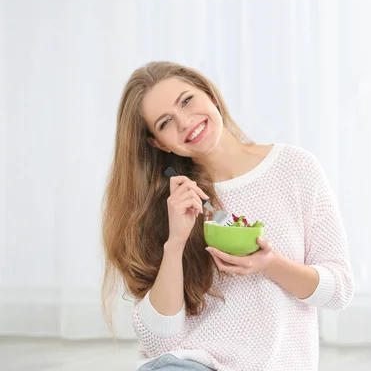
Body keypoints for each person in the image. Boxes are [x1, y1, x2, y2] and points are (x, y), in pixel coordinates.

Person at [101, 61, 354, 371]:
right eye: (166, 122)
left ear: (210, 94)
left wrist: (270, 264)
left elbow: (338, 291)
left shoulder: (295, 168)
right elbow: (158, 342)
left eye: (187, 100)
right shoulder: (168, 202)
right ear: (157, 142)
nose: (185, 122)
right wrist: (176, 241)